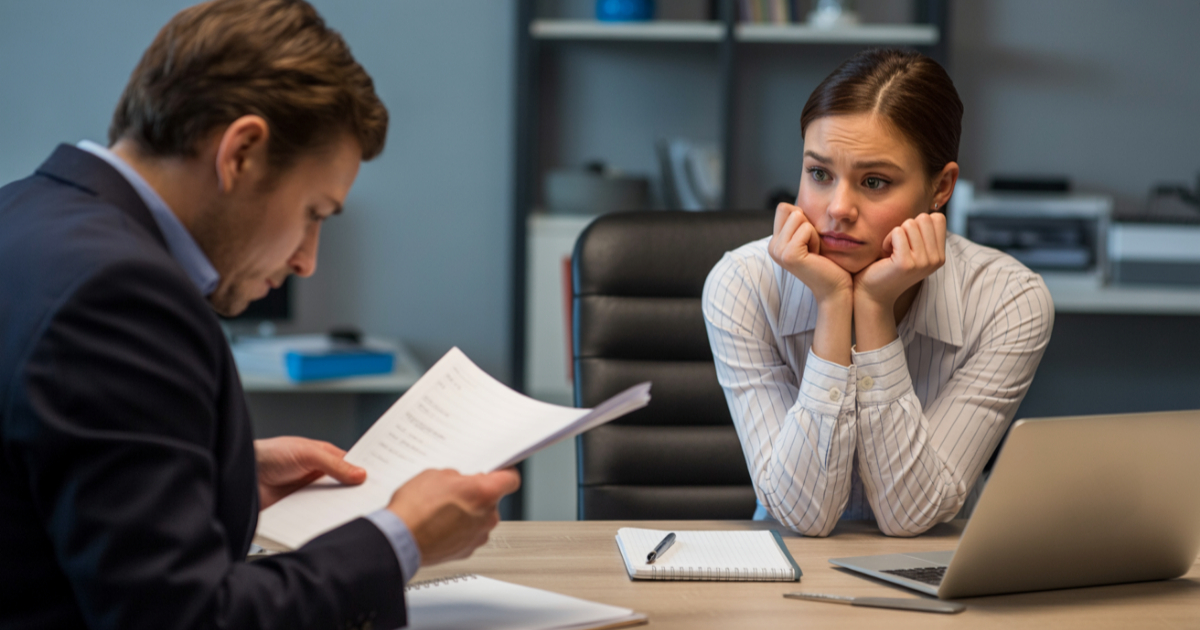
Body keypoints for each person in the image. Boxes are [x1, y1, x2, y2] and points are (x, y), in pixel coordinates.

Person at [0, 1, 519, 628]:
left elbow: (56, 482)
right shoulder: (122, 293)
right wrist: (400, 538)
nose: (307, 261)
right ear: (241, 152)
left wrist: (227, 475)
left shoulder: (21, 212)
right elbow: (189, 620)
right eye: (313, 213)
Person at [702, 49, 1054, 538]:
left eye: (874, 181)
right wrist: (833, 304)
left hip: (937, 570)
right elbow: (803, 516)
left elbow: (911, 516)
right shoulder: (744, 284)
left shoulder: (1007, 302)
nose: (838, 209)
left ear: (941, 187)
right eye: (819, 174)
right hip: (789, 566)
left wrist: (872, 307)